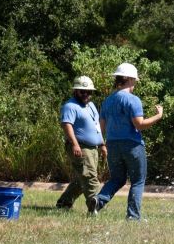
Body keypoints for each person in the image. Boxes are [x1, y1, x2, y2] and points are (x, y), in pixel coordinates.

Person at [90, 63, 163, 220]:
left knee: (117, 179)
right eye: (135, 80)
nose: (135, 83)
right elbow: (140, 125)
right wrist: (158, 116)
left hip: (112, 145)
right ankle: (133, 217)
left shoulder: (107, 101)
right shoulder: (133, 100)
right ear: (130, 79)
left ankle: (98, 201)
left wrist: (102, 145)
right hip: (132, 145)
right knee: (138, 180)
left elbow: (100, 128)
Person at [55, 76, 106, 213]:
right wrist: (75, 144)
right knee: (90, 177)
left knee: (81, 178)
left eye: (89, 92)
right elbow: (67, 125)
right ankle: (95, 206)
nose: (86, 95)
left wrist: (102, 144)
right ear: (75, 91)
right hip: (80, 147)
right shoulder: (70, 106)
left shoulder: (91, 105)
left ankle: (64, 203)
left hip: (93, 148)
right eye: (83, 92)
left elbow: (96, 126)